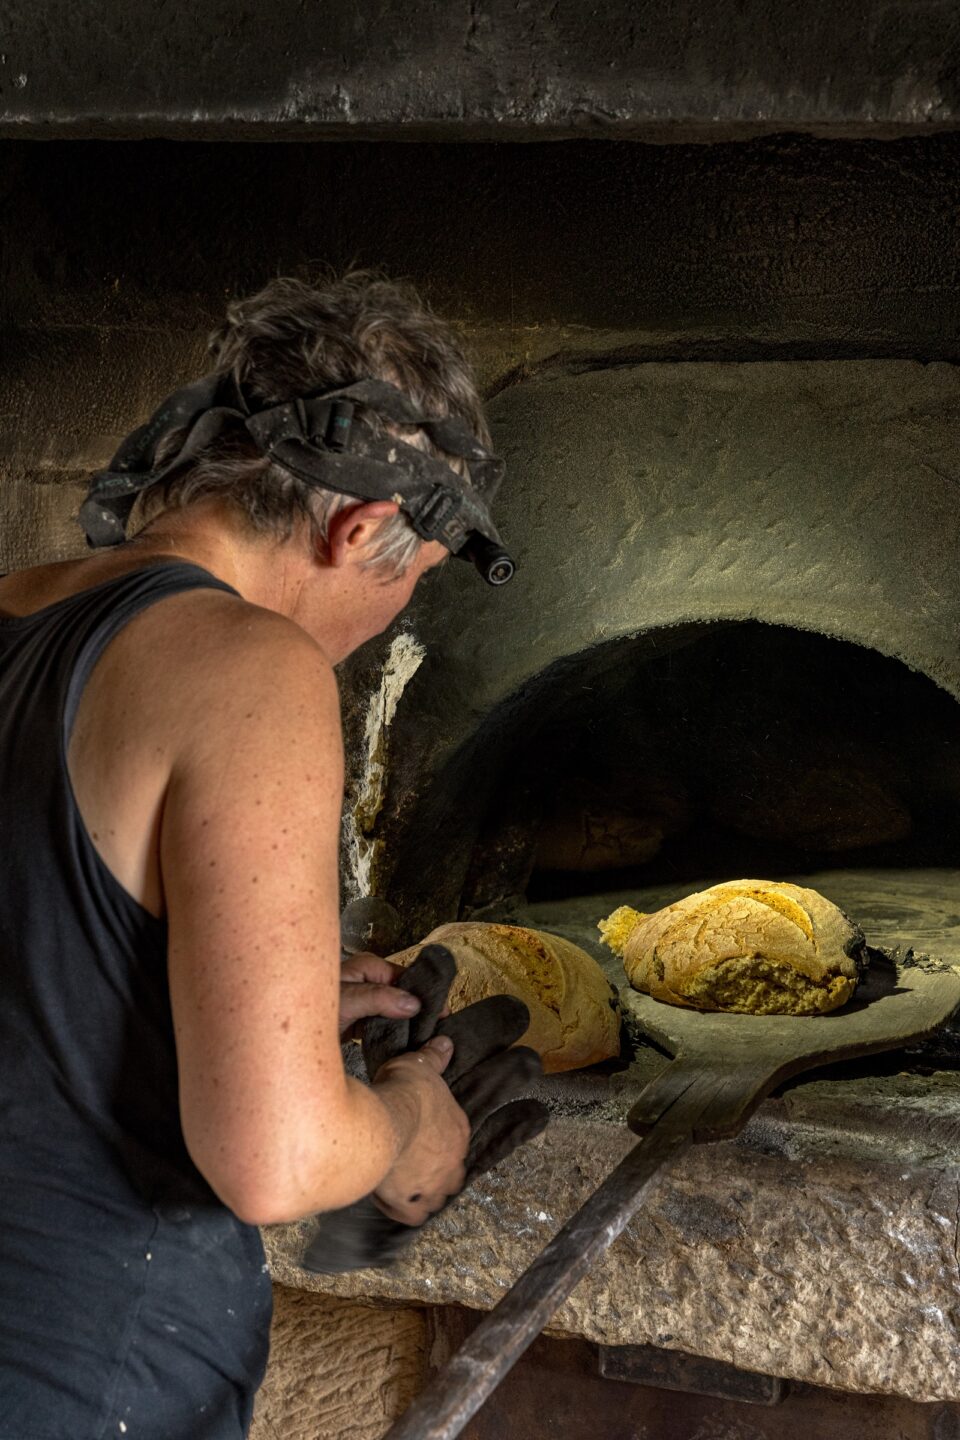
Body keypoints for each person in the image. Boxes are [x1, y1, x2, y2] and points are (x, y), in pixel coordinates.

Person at [0, 271, 512, 1438]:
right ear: (363, 528)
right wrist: (404, 1123)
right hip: (73, 1384)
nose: (389, 623)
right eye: (411, 592)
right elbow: (273, 1163)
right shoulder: (248, 665)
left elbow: (37, 949)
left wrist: (229, 993)